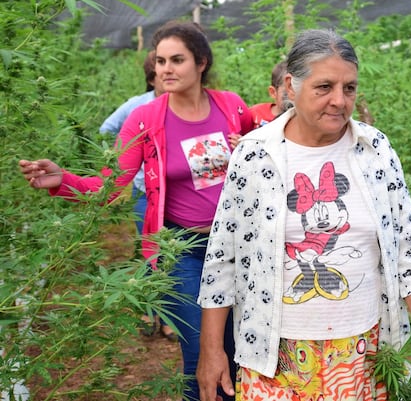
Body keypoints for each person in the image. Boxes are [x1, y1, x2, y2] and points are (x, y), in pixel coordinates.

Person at [196, 29, 411, 401]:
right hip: (274, 352)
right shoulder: (255, 154)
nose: (339, 101)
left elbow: (407, 243)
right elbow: (223, 257)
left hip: (363, 347)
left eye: (349, 88)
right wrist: (212, 349)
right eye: (324, 87)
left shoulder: (374, 149)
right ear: (290, 86)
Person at [19, 20, 255, 401]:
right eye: (160, 61)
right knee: (201, 352)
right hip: (183, 250)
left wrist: (249, 146)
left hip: (239, 245)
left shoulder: (230, 106)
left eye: (177, 60)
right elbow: (109, 186)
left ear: (202, 63)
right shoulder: (146, 119)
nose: (165, 69)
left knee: (240, 345)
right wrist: (62, 181)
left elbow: (268, 145)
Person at [99, 50, 176, 342]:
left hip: (177, 197)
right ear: (151, 77)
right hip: (145, 193)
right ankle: (147, 311)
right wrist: (124, 153)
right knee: (151, 254)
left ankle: (168, 317)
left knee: (171, 256)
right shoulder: (138, 106)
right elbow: (106, 129)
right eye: (160, 71)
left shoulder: (183, 107)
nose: (168, 76)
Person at [248, 59, 292, 127]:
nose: (293, 96)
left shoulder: (303, 120)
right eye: (286, 92)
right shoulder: (255, 113)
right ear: (273, 92)